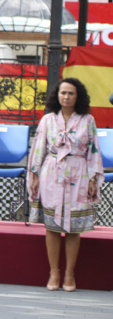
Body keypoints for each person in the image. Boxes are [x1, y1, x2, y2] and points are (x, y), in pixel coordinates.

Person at [28, 78, 103, 292]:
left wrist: (92, 178)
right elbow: (38, 148)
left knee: (73, 229)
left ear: (78, 96)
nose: (66, 97)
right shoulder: (48, 120)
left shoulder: (88, 120)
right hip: (52, 174)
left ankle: (70, 273)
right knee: (51, 227)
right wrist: (34, 175)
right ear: (57, 95)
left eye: (71, 93)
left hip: (78, 174)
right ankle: (54, 272)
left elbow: (94, 150)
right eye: (63, 93)